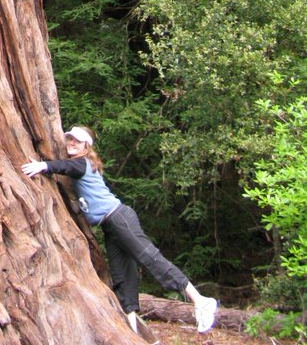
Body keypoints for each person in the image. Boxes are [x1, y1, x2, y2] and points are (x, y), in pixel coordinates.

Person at [22, 125, 218, 336]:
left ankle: (200, 300)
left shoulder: (82, 163)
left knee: (149, 257)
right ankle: (132, 331)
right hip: (110, 226)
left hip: (119, 218)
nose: (71, 143)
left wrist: (43, 166)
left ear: (86, 146)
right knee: (122, 276)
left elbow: (65, 167)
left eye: (77, 141)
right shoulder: (82, 163)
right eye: (69, 139)